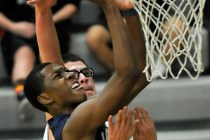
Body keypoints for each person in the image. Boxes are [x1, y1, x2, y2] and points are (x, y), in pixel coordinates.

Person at [25, 0, 149, 139]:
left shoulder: (97, 116)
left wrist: (129, 11)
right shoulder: (68, 124)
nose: (74, 76)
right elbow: (127, 73)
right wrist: (109, 7)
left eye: (85, 72)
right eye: (59, 76)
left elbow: (141, 75)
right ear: (46, 98)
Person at [0, 0, 37, 121]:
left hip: (50, 29)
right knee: (24, 52)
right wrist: (14, 27)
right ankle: (22, 93)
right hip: (15, 34)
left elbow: (71, 5)